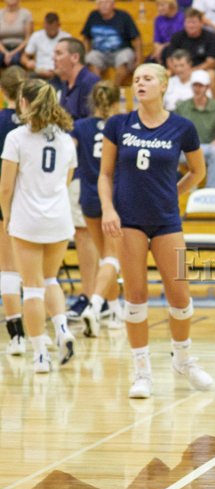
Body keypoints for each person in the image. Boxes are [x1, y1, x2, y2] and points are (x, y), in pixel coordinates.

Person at [98, 63, 213, 399]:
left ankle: (183, 359)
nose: (140, 83)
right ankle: (142, 372)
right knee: (135, 297)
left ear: (163, 85)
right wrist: (108, 209)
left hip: (166, 219)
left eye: (147, 78)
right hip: (129, 219)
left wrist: (173, 194)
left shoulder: (182, 127)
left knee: (180, 296)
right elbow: (105, 174)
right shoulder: (118, 124)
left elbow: (198, 171)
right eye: (136, 79)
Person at [0, 78, 78, 373]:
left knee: (32, 288)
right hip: (59, 219)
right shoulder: (65, 139)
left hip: (28, 220)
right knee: (50, 279)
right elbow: (66, 180)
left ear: (23, 103)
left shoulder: (17, 137)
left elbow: (5, 188)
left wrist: (7, 216)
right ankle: (62, 329)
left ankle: (41, 355)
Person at [53, 36, 102, 325]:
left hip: (87, 171)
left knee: (85, 233)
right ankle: (95, 296)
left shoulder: (90, 84)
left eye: (59, 53)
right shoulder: (64, 87)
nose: (54, 57)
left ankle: (91, 296)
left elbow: (94, 129)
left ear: (75, 57)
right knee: (82, 233)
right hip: (71, 169)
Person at [71, 81, 125, 336]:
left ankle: (114, 310)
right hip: (114, 197)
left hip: (89, 198)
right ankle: (96, 306)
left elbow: (68, 158)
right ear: (116, 101)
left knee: (106, 258)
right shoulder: (123, 124)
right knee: (113, 258)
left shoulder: (80, 126)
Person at [0, 66, 27, 356]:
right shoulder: (37, 122)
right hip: (34, 202)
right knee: (35, 272)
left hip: (5, 201)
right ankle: (44, 333)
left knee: (7, 268)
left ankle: (16, 334)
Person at [175, 69, 215, 188]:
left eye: (200, 86)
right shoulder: (181, 106)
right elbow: (175, 130)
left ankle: (211, 190)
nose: (197, 89)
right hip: (186, 149)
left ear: (207, 87)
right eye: (195, 85)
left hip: (208, 147)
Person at [81, 0, 142, 86]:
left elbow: (136, 38)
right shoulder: (93, 16)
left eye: (107, 2)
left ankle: (114, 88)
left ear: (113, 5)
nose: (104, 5)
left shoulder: (124, 16)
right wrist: (86, 53)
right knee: (90, 58)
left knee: (125, 57)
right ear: (97, 5)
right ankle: (99, 88)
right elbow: (86, 38)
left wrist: (139, 59)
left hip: (121, 50)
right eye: (101, 3)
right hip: (99, 52)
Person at [164, 8, 215, 85]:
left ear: (201, 23)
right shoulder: (176, 37)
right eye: (188, 22)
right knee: (166, 75)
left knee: (211, 75)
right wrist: (178, 70)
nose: (190, 25)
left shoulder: (211, 37)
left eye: (193, 22)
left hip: (202, 69)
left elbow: (211, 62)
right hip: (179, 69)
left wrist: (191, 71)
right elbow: (169, 60)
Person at [21, 12, 71, 80]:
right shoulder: (36, 36)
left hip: (59, 73)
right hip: (39, 71)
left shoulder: (67, 38)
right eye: (48, 28)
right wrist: (27, 62)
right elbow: (24, 57)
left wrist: (57, 71)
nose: (51, 31)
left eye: (53, 28)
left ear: (58, 25)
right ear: (44, 25)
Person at [0, 0, 33, 67]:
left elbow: (27, 38)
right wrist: (6, 52)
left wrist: (13, 53)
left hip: (20, 48)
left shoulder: (26, 14)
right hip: (2, 48)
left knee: (15, 59)